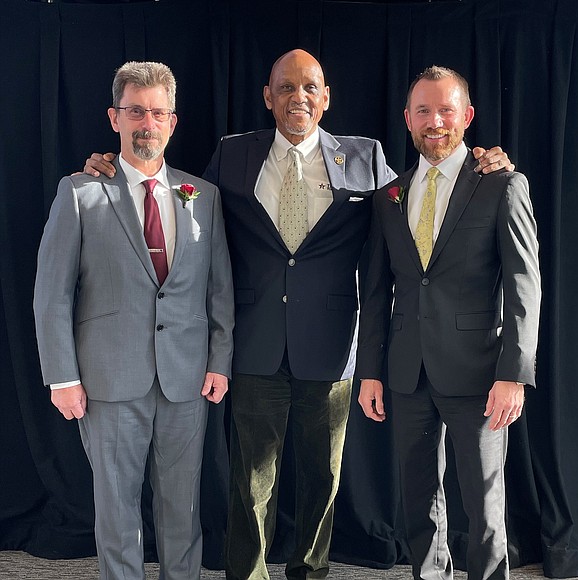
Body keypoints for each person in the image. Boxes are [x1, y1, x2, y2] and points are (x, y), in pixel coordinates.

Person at [83, 50, 513, 580]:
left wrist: (485, 163)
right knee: (249, 483)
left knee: (322, 482)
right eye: (285, 88)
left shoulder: (365, 157)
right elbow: (183, 205)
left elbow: (404, 226)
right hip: (253, 343)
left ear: (326, 97)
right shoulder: (234, 154)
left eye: (310, 87)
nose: (298, 97)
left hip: (332, 347)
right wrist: (109, 169)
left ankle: (310, 572)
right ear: (268, 97)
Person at [33, 61, 234, 580]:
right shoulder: (79, 193)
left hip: (186, 380)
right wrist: (62, 377)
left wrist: (219, 361)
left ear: (173, 121)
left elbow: (219, 289)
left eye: (158, 112)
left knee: (182, 507)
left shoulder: (202, 197)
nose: (148, 122)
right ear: (114, 117)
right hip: (106, 380)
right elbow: (52, 294)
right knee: (117, 510)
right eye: (136, 111)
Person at [356, 66, 541, 580]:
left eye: (445, 110)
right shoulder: (389, 197)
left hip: (480, 373)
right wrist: (370, 370)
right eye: (423, 111)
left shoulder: (502, 184)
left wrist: (514, 375)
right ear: (407, 119)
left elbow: (526, 286)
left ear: (467, 116)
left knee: (484, 505)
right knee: (418, 498)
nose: (434, 121)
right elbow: (375, 293)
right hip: (407, 372)